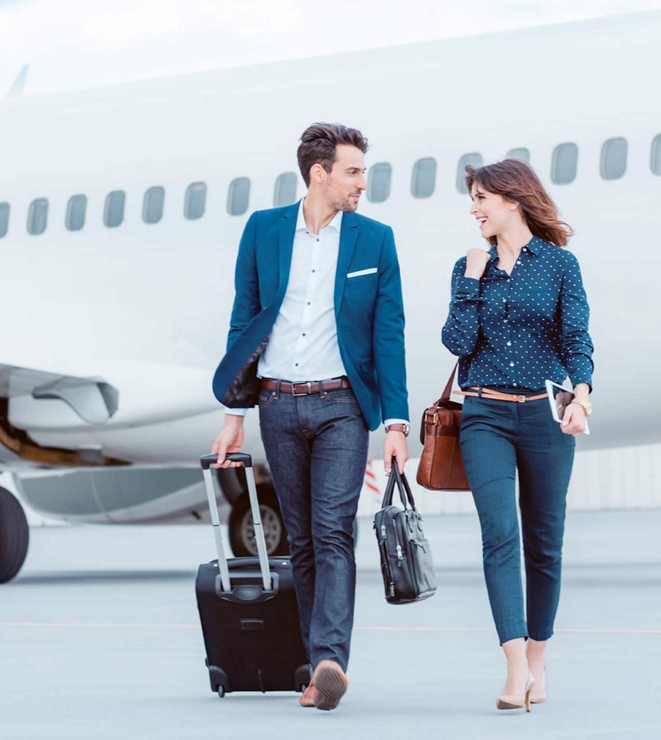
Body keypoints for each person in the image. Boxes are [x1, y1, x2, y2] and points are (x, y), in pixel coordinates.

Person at [210, 122, 410, 711]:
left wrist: (396, 423)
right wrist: (234, 413)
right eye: (353, 172)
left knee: (333, 532)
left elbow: (389, 334)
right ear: (318, 174)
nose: (363, 183)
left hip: (342, 406)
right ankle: (314, 667)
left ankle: (329, 661)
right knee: (300, 540)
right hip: (276, 404)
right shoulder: (264, 229)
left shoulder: (376, 240)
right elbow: (244, 319)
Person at [441, 158, 593, 712]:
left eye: (481, 198)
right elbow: (457, 342)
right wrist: (471, 280)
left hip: (545, 417)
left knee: (545, 544)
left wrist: (582, 395)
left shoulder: (559, 264)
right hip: (484, 415)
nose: (474, 210)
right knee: (500, 535)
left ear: (512, 199)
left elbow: (576, 337)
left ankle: (537, 658)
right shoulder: (468, 266)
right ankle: (513, 666)